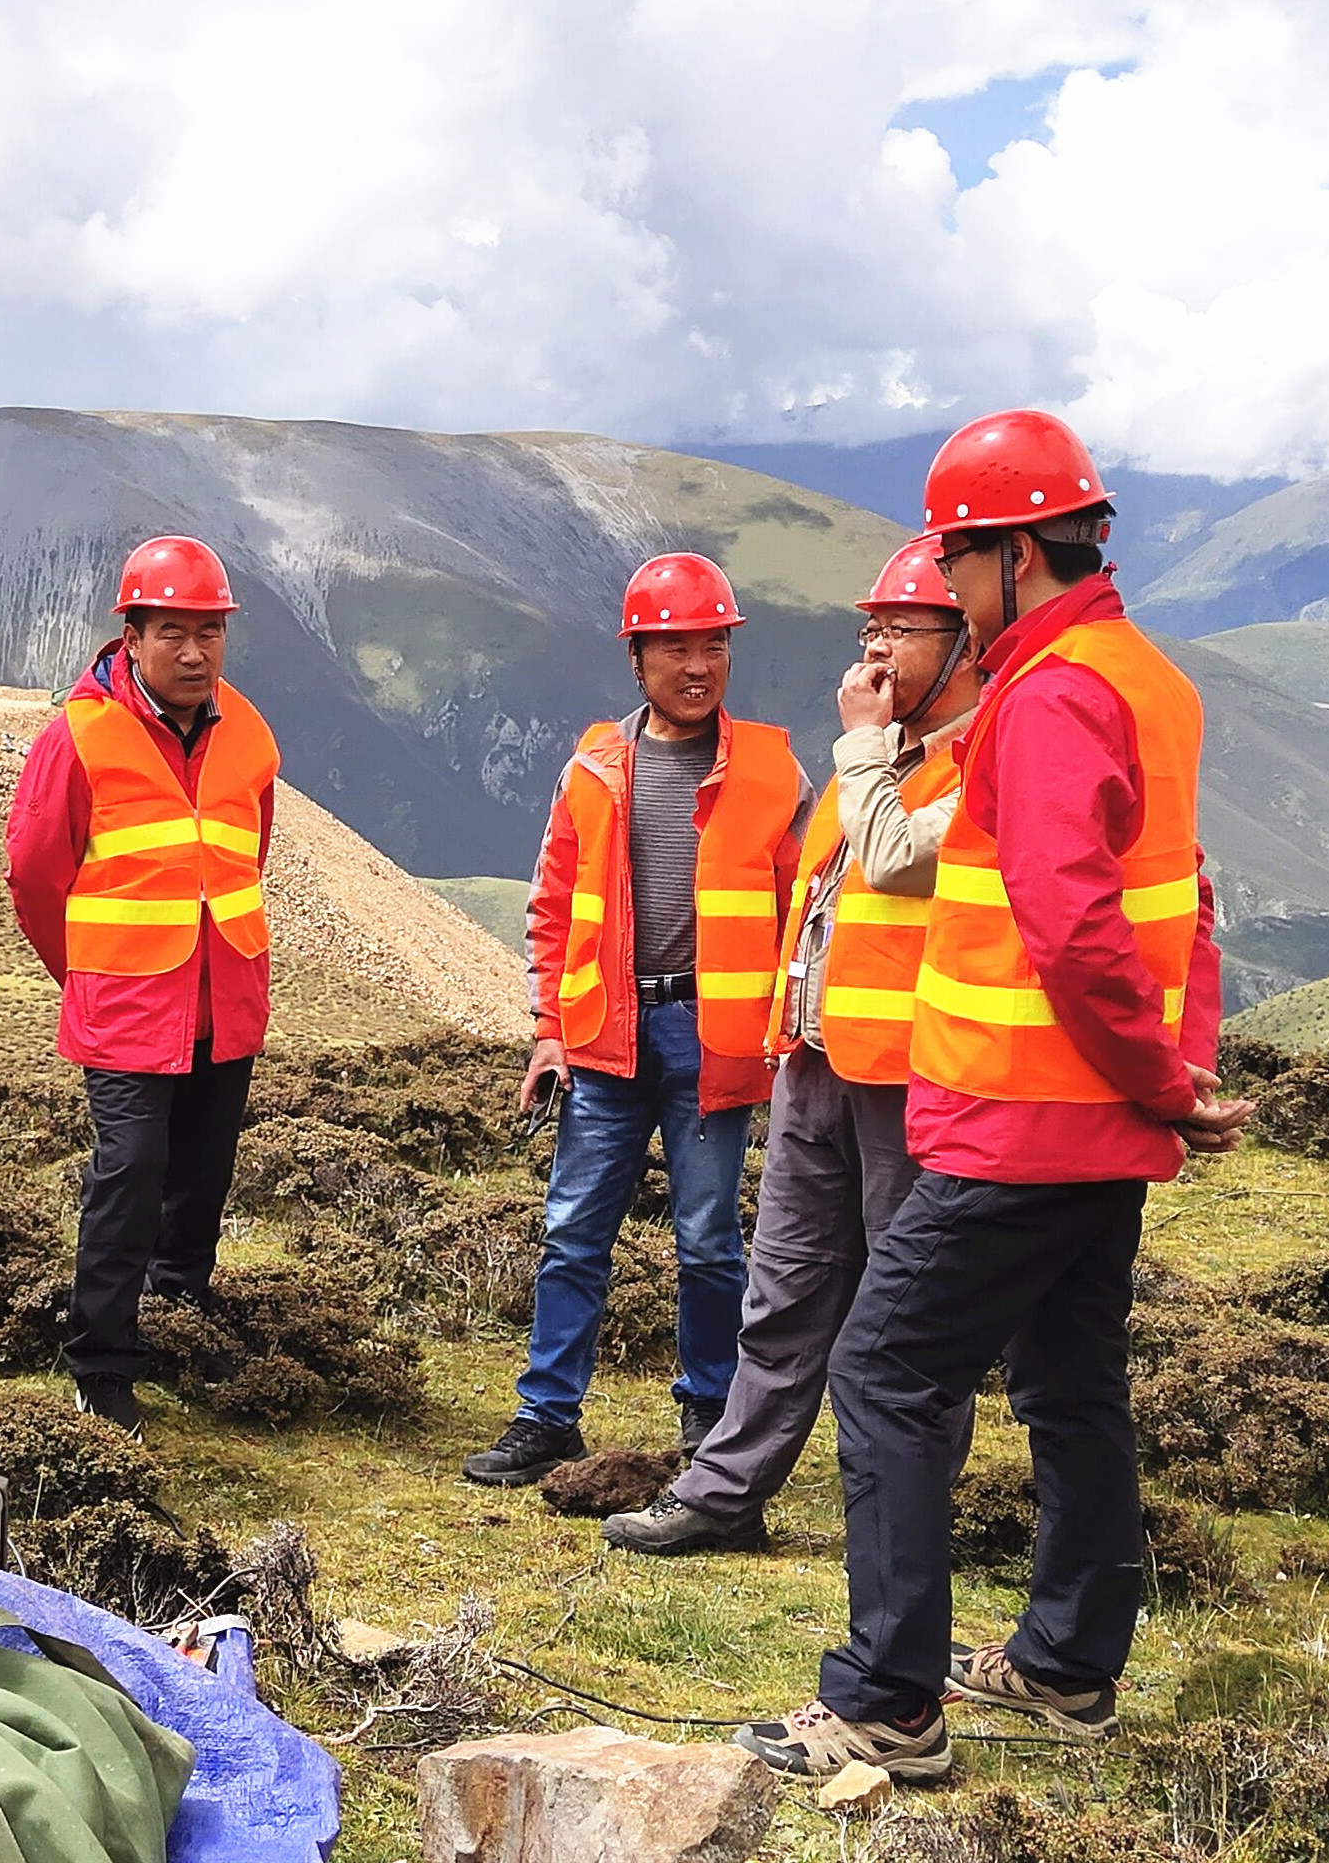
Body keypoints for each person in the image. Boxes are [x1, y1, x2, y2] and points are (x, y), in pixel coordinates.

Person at [736, 412, 1253, 1782]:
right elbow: (1183, 899)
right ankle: (1070, 1665)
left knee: (884, 1370)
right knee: (1073, 1382)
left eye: (961, 563)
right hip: (1098, 1125)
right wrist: (1176, 1075)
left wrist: (1159, 1079)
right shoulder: (1148, 679)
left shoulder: (1050, 694)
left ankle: (888, 1704)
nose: (954, 592)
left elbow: (1075, 929)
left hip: (1022, 1119)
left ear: (1019, 555)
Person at [605, 537, 982, 1556]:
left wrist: (862, 747)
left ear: (967, 643)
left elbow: (897, 866)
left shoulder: (979, 761)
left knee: (911, 1314)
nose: (874, 652)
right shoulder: (876, 754)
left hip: (913, 1074)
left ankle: (904, 1517)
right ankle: (725, 1494)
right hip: (818, 1062)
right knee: (782, 1292)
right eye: (872, 630)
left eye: (900, 630)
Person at [464, 554, 809, 1486]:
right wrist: (548, 1029)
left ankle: (710, 1420)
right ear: (637, 658)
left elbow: (804, 916)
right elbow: (552, 905)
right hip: (604, 1037)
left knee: (709, 1239)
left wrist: (789, 1040)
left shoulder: (773, 771)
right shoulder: (592, 767)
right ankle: (548, 1417)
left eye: (714, 646)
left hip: (713, 1036)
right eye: (675, 649)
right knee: (573, 1230)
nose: (697, 667)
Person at [5, 535, 278, 1438]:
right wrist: (86, 972)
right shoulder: (78, 735)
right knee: (129, 1174)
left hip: (224, 999)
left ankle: (178, 1317)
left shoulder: (249, 731)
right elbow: (34, 876)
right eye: (173, 634)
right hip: (124, 1008)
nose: (195, 653)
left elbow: (248, 852)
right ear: (132, 636)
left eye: (210, 632)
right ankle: (102, 1364)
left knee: (203, 1177)